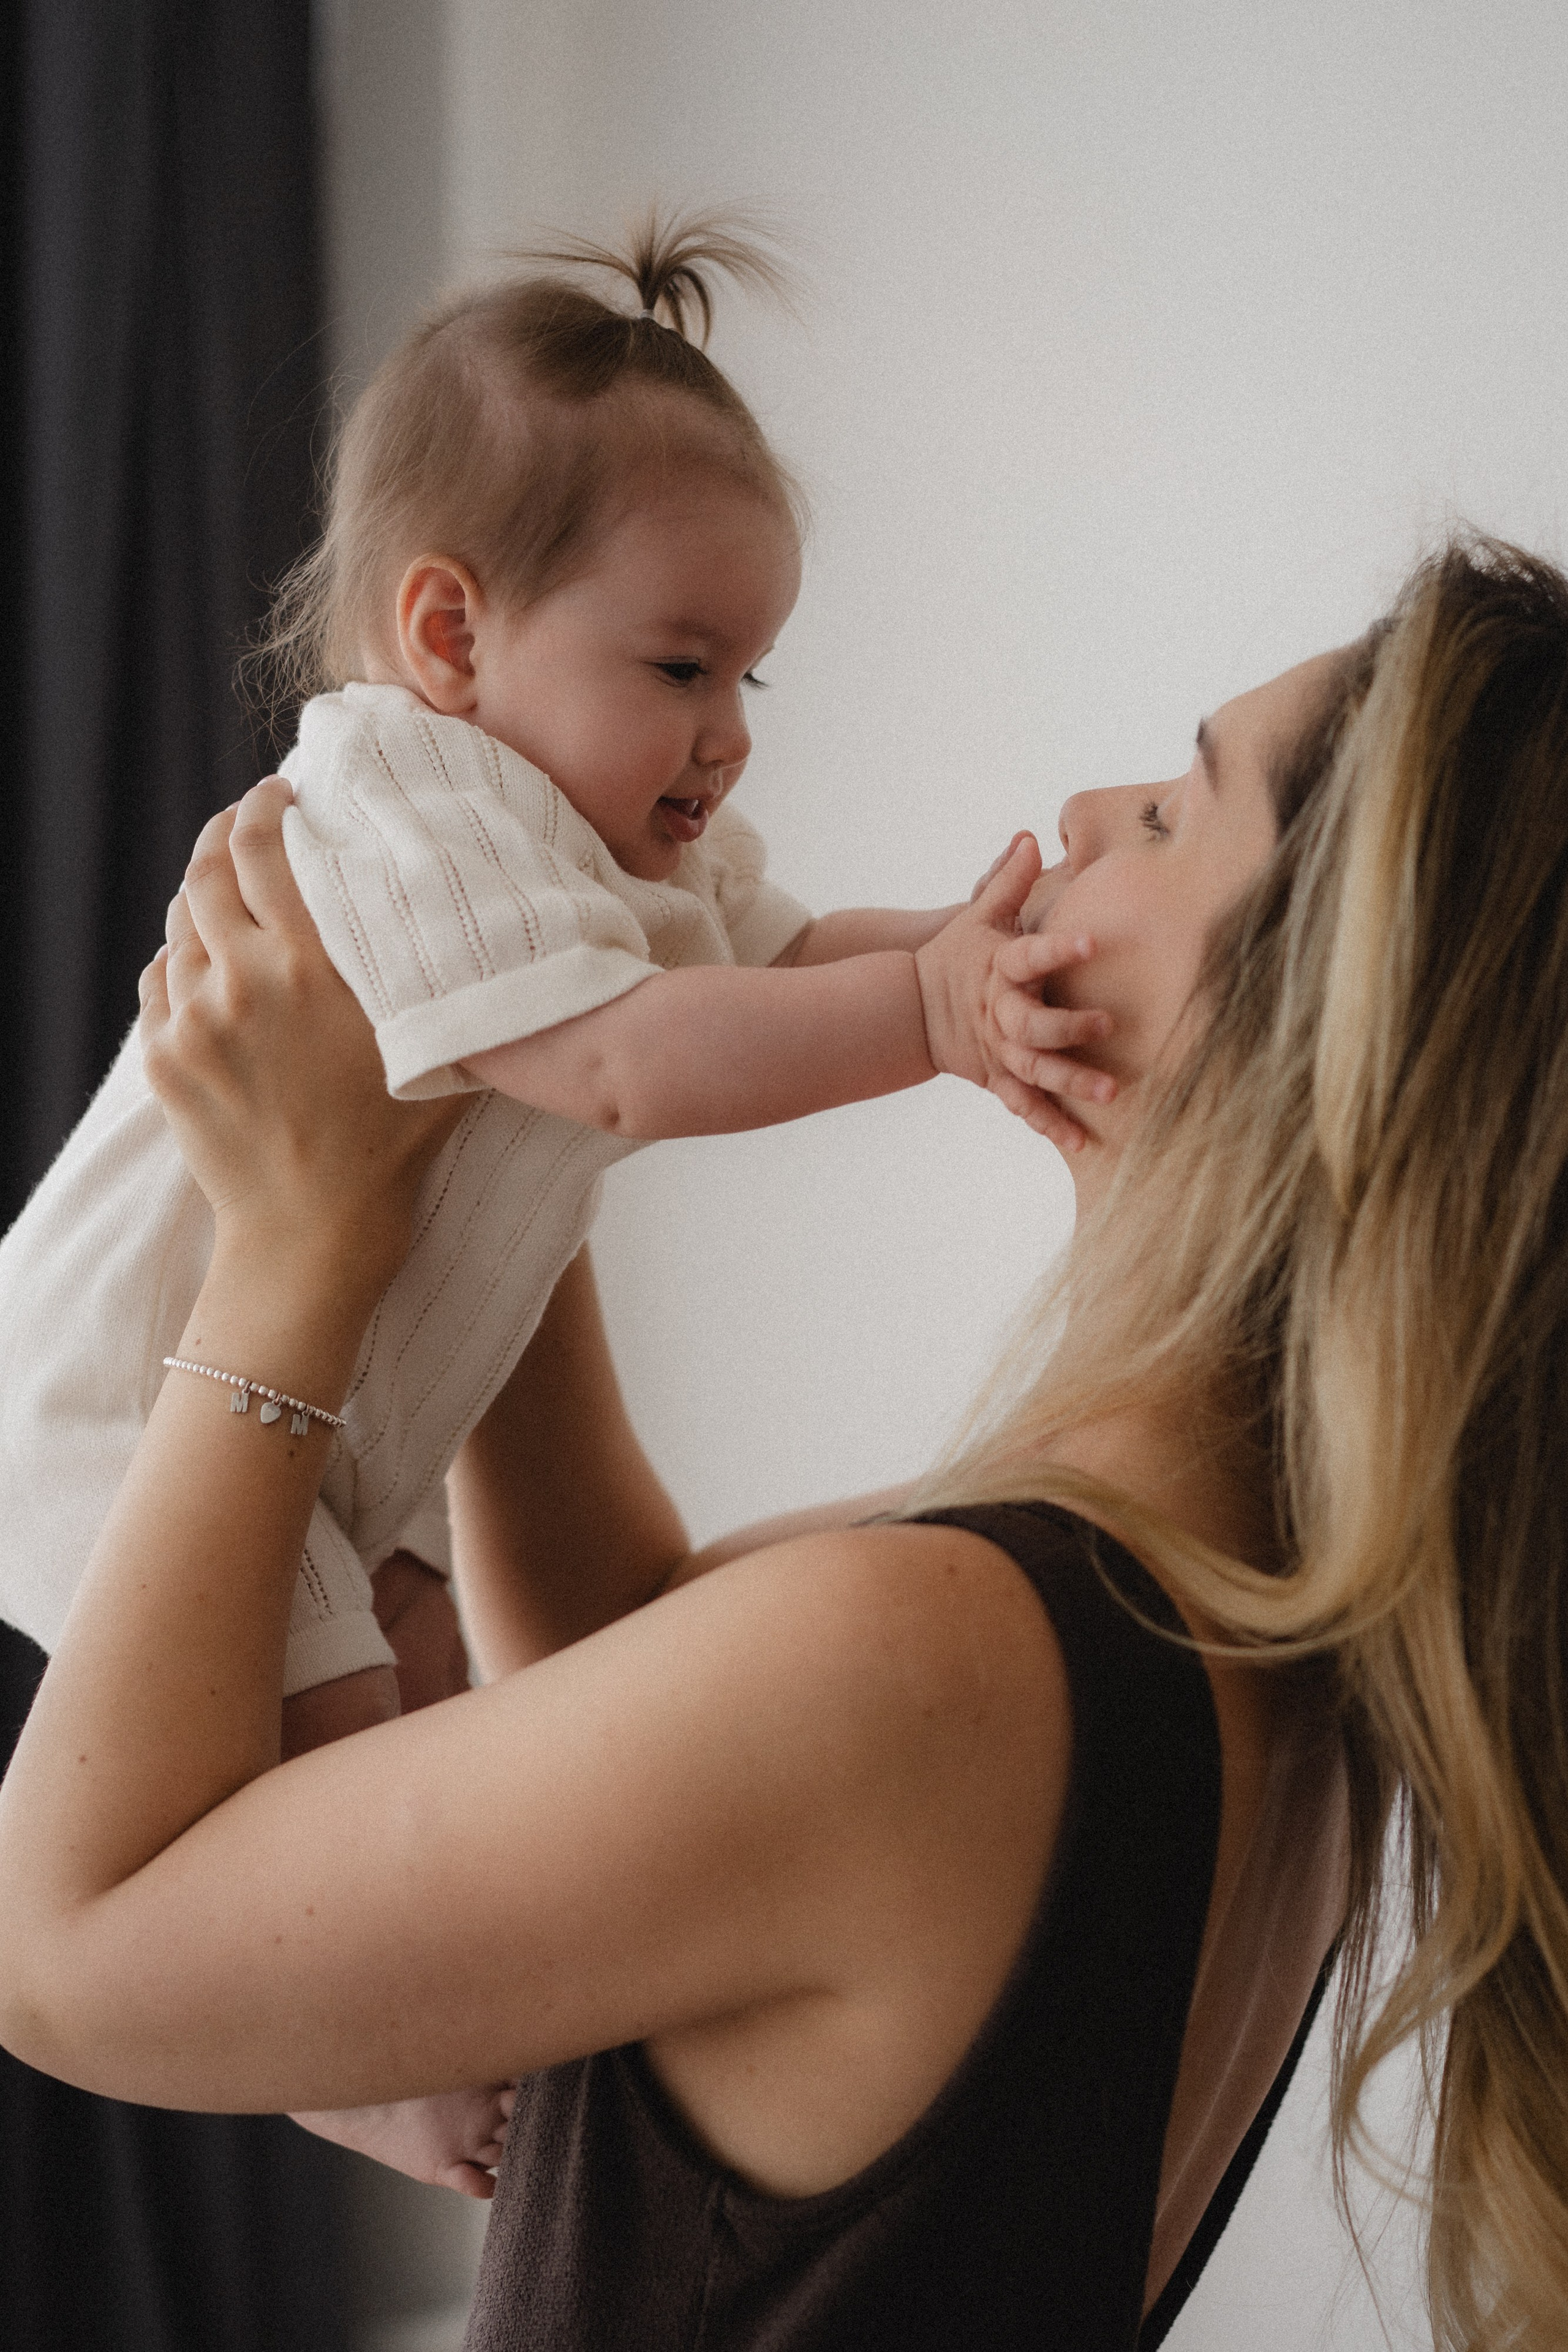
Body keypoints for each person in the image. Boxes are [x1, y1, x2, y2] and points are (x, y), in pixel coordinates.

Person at [2, 536, 1565, 2350]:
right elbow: (626, 1659)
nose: (1080, 811)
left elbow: (71, 1955)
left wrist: (295, 1254)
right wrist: (499, 1053)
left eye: (1168, 812)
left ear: (1318, 1036)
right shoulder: (1216, 1619)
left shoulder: (946, 1657)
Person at [0, 215, 1104, 1761]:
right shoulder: (416, 811)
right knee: (341, 1767)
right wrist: (927, 1015)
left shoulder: (606, 851)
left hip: (325, 1413)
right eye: (680, 669)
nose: (730, 735)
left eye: (747, 676)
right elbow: (621, 1064)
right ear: (450, 636)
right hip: (134, 1405)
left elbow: (788, 958)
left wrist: (972, 945)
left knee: (434, 1686)